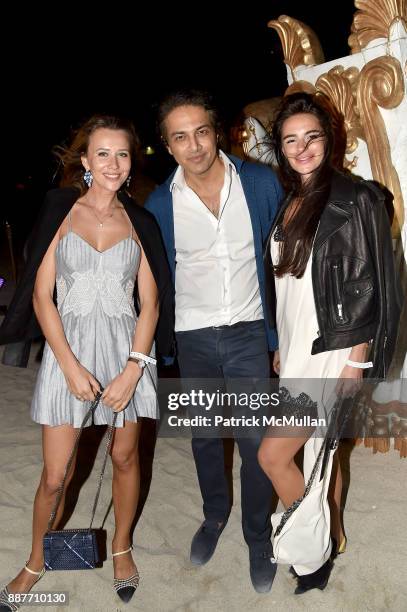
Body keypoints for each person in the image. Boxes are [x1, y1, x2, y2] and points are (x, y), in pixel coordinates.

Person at [0, 114, 174, 609]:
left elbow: (152, 301)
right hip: (67, 353)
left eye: (123, 154)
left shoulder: (141, 222)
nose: (114, 164)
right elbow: (40, 295)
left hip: (126, 354)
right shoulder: (60, 210)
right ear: (85, 161)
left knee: (123, 457)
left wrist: (134, 369)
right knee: (56, 474)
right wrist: (71, 367)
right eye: (103, 153)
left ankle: (121, 547)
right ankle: (36, 560)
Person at [257, 92, 402, 594]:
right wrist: (282, 342)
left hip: (334, 351)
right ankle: (334, 532)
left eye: (311, 137)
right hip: (299, 347)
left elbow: (369, 287)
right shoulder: (291, 199)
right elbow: (290, 284)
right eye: (291, 140)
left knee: (273, 457)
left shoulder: (355, 198)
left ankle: (313, 552)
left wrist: (355, 364)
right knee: (323, 453)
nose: (302, 148)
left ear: (329, 140)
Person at [145, 89, 283, 593]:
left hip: (248, 332)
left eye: (201, 131)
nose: (194, 145)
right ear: (168, 144)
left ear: (217, 131)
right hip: (192, 337)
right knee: (204, 437)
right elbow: (155, 278)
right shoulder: (160, 203)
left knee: (254, 441)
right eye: (180, 136)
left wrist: (278, 335)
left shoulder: (261, 183)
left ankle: (257, 535)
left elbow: (282, 259)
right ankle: (213, 516)